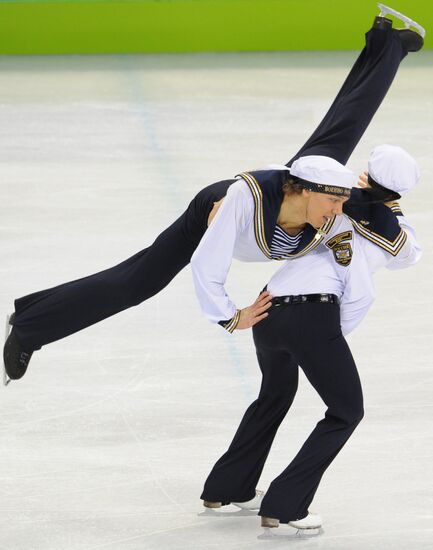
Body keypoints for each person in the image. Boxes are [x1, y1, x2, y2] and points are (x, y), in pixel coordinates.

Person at [3, 5, 424, 383]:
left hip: (291, 187)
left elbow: (397, 234)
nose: (338, 209)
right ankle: (30, 326)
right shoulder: (242, 203)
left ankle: (388, 41)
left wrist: (380, 196)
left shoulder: (336, 194)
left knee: (341, 132)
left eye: (343, 197)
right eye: (334, 200)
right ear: (310, 191)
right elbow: (207, 264)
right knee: (136, 283)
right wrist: (229, 317)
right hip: (221, 206)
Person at [200, 144, 422, 531]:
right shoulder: (380, 226)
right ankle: (286, 504)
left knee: (273, 396)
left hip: (269, 308)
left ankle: (227, 487)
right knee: (346, 411)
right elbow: (400, 259)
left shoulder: (331, 200)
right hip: (314, 316)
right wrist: (329, 336)